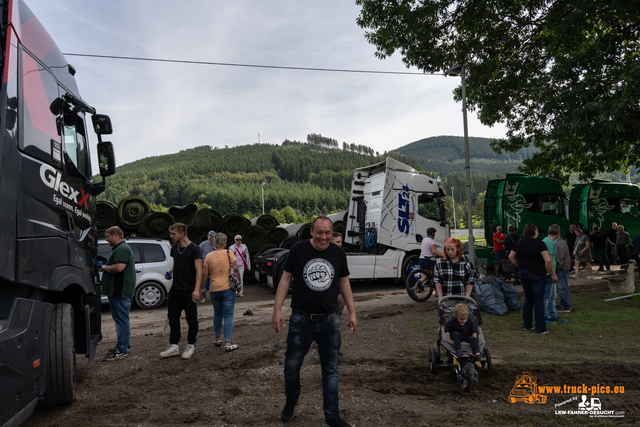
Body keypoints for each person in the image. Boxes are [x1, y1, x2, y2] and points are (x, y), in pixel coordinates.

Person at [272, 216, 356, 427]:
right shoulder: (298, 250)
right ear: (311, 231)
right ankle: (291, 400)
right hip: (301, 320)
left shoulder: (338, 252)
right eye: (320, 232)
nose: (324, 237)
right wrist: (276, 310)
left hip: (330, 320)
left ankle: (332, 416)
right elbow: (285, 278)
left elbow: (344, 283)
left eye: (328, 233)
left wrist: (353, 312)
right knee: (292, 366)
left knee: (330, 370)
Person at [159, 223, 202, 359]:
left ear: (181, 234)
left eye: (173, 234)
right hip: (175, 289)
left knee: (191, 319)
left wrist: (196, 290)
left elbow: (199, 270)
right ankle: (174, 346)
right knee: (173, 318)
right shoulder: (174, 248)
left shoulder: (195, 249)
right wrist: (170, 272)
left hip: (189, 290)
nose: (171, 236)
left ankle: (190, 345)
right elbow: (176, 263)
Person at [508, 223, 554, 334]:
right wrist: (547, 271)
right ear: (534, 231)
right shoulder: (540, 243)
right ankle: (541, 328)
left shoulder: (519, 242)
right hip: (538, 274)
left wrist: (519, 266)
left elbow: (511, 257)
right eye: (537, 230)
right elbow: (547, 260)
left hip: (524, 273)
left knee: (528, 299)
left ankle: (527, 325)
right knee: (538, 301)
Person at [100, 226, 136, 361]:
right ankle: (124, 344)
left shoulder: (121, 249)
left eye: (107, 236)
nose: (106, 239)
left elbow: (119, 268)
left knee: (121, 321)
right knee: (122, 320)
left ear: (115, 235)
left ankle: (122, 349)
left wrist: (104, 268)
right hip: (118, 292)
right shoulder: (120, 248)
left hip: (120, 292)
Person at [204, 233, 241, 352]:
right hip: (227, 289)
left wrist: (202, 289)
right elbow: (235, 269)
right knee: (228, 315)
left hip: (214, 289)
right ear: (224, 243)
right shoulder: (228, 253)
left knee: (217, 313)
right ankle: (228, 343)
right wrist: (239, 284)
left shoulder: (209, 256)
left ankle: (217, 338)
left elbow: (205, 273)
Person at [542, 225, 565, 325]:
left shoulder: (546, 240)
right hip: (549, 274)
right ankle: (545, 316)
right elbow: (549, 260)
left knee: (552, 296)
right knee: (546, 297)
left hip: (549, 273)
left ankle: (553, 315)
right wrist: (554, 274)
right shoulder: (550, 243)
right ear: (558, 234)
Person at [554, 233, 572, 313]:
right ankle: (564, 304)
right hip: (562, 268)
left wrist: (558, 267)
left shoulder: (560, 244)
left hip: (561, 269)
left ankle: (566, 306)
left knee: (562, 288)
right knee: (562, 287)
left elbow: (560, 258)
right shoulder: (559, 242)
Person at [198, 231, 216, 303]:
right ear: (210, 238)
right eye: (213, 237)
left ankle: (214, 297)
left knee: (213, 281)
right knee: (204, 282)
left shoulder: (216, 245)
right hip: (204, 266)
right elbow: (198, 254)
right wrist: (201, 262)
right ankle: (203, 298)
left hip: (214, 266)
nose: (215, 239)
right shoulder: (203, 244)